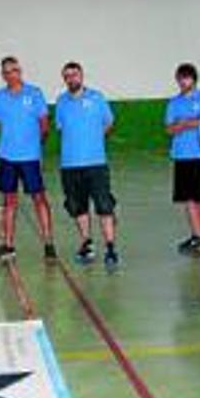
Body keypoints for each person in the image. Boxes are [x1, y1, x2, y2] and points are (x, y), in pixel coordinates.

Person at [55, 61, 119, 271]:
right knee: (78, 206)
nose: (71, 78)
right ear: (64, 79)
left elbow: (109, 123)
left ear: (81, 75)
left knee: (104, 206)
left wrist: (94, 140)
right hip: (70, 165)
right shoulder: (61, 102)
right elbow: (61, 128)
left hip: (96, 163)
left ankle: (110, 247)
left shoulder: (97, 98)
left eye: (74, 74)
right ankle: (87, 243)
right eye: (67, 75)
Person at [0, 56, 56, 260]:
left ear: (20, 71)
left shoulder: (34, 94)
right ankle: (8, 244)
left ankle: (48, 243)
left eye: (14, 70)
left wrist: (33, 145)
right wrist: (13, 142)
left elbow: (44, 124)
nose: (11, 75)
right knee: (9, 200)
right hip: (7, 157)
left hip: (30, 157)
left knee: (39, 198)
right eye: (7, 72)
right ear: (3, 75)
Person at [165, 63, 200, 255]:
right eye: (180, 78)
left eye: (187, 78)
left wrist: (185, 122)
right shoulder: (174, 103)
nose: (184, 82)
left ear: (194, 79)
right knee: (188, 199)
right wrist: (188, 123)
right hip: (181, 156)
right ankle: (197, 236)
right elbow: (170, 129)